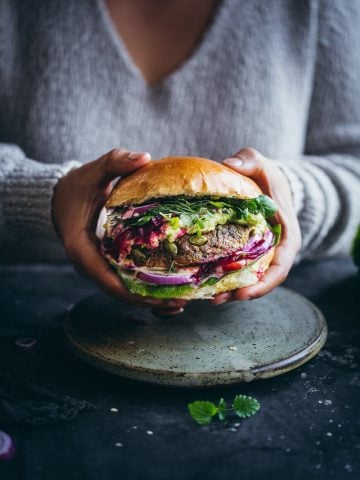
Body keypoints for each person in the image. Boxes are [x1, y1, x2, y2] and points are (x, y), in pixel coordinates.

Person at [0, 0, 359, 313]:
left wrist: (290, 195)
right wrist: (47, 195)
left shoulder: (319, 5)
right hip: (22, 308)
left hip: (298, 309)